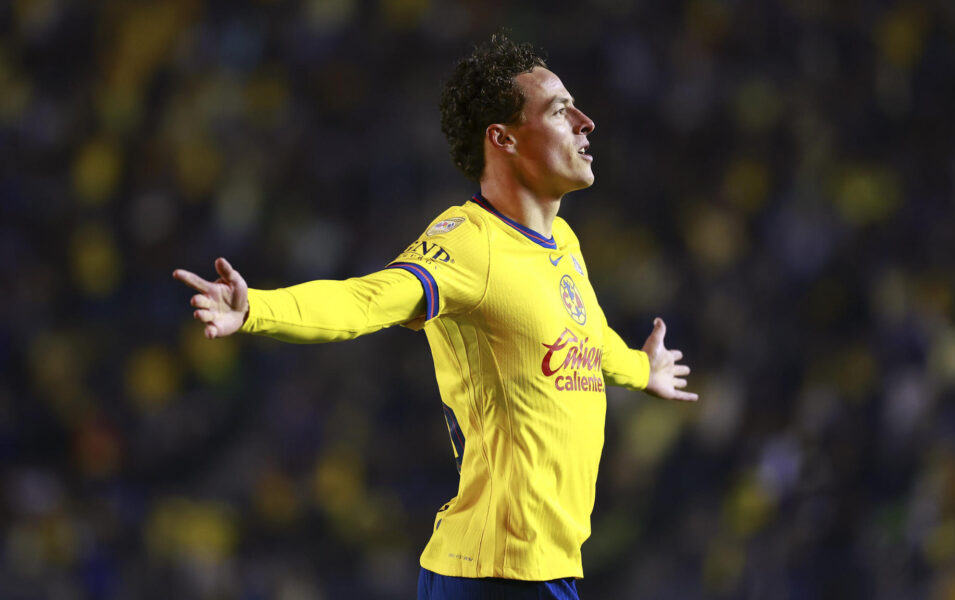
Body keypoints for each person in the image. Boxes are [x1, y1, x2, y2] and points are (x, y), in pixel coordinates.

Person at [174, 32, 697, 600]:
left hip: (538, 569)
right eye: (559, 109)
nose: (585, 121)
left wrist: (641, 370)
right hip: (495, 571)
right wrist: (259, 309)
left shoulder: (562, 243)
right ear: (504, 139)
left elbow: (586, 339)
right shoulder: (469, 244)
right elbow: (365, 300)